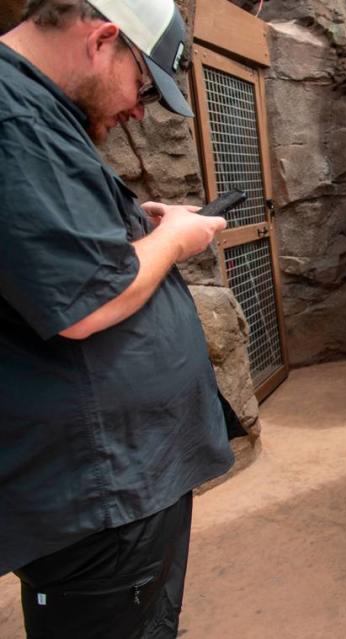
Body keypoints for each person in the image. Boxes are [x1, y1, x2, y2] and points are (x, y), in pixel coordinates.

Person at [0, 0, 234, 637]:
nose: (138, 108)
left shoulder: (41, 111)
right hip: (96, 491)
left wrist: (139, 233)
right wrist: (178, 239)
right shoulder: (13, 115)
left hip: (127, 479)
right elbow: (86, 302)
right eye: (144, 86)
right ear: (103, 38)